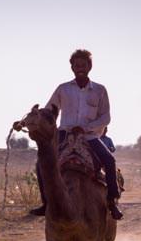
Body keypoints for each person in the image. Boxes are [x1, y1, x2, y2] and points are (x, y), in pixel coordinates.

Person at [30, 49, 123, 220]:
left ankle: (112, 201)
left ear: (89, 67)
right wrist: (34, 116)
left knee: (110, 161)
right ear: (72, 67)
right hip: (65, 134)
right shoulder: (63, 89)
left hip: (90, 136)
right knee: (41, 164)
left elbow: (105, 116)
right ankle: (46, 204)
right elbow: (50, 110)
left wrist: (86, 128)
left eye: (83, 65)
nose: (80, 68)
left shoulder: (99, 90)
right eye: (76, 65)